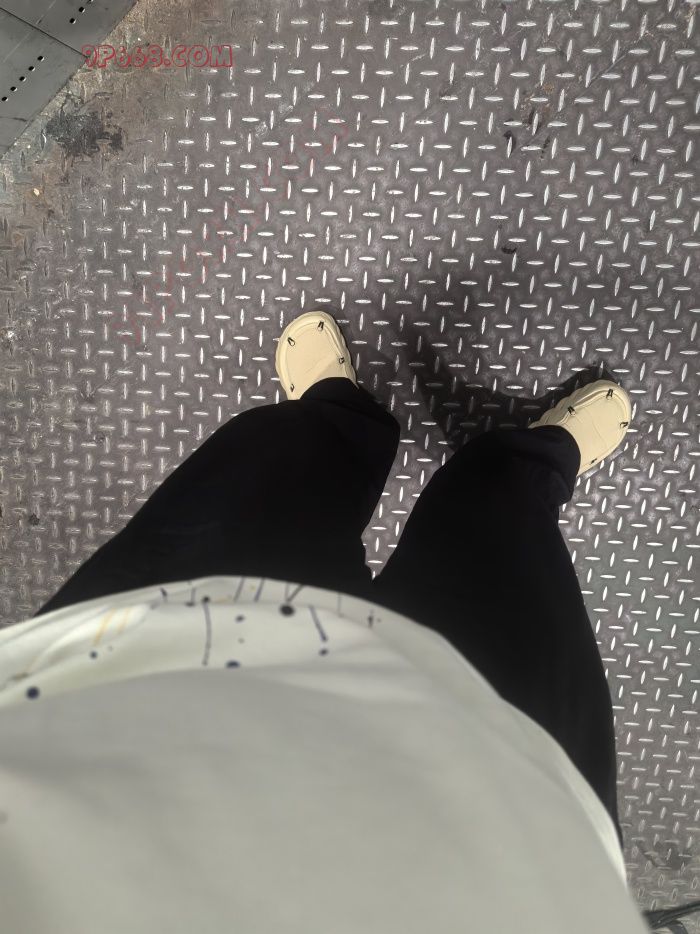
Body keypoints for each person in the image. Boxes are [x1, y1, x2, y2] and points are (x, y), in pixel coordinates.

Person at [0, 311, 648, 934]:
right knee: (503, 561)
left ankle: (339, 418)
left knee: (264, 490)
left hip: (135, 721)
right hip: (493, 837)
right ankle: (525, 470)